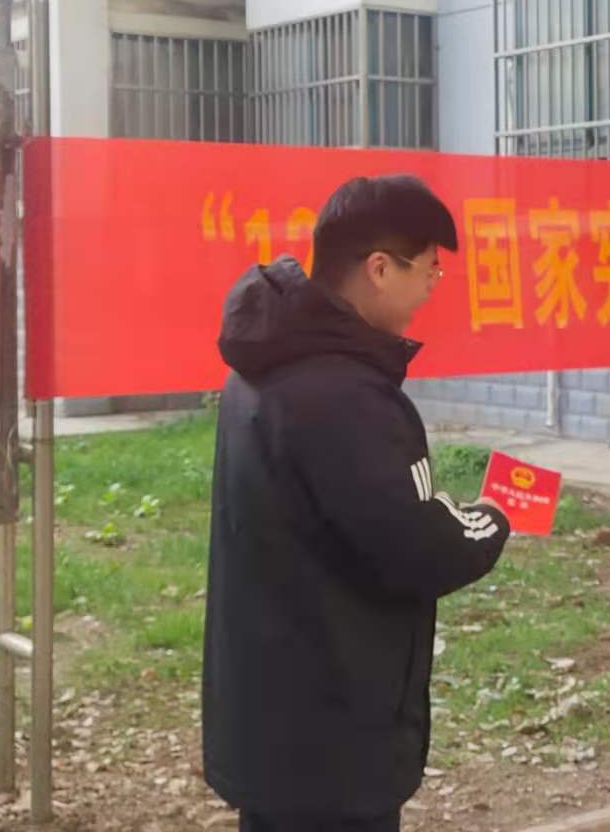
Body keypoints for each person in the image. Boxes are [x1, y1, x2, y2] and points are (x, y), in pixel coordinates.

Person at [203, 174, 513, 832]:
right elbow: (416, 548)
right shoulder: (346, 395)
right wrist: (492, 518)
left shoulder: (260, 368)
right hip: (333, 738)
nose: (433, 286)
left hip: (272, 719)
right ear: (379, 268)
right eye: (428, 269)